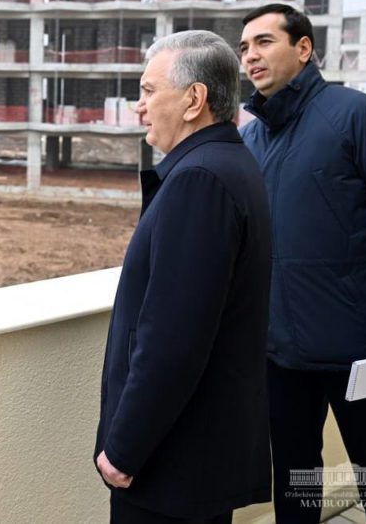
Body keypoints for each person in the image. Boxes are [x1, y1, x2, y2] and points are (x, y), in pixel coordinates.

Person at [239, 3, 366, 523]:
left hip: (361, 351)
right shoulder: (252, 138)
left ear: (304, 48)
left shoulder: (360, 116)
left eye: (264, 42)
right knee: (296, 479)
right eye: (245, 48)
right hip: (281, 355)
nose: (251, 56)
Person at [95, 30, 272, 523]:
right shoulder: (228, 163)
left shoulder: (199, 180)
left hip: (171, 462)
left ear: (194, 99)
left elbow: (174, 338)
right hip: (196, 453)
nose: (139, 106)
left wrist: (124, 449)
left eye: (149, 91)